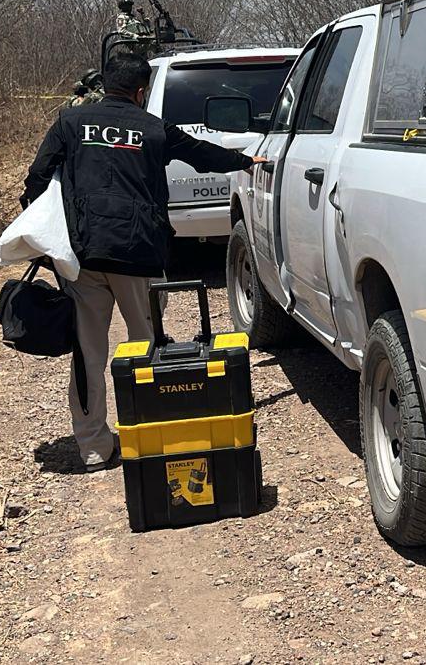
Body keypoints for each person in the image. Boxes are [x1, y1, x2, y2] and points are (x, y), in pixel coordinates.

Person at [22, 50, 267, 471]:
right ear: (141, 91)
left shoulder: (70, 122)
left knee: (89, 353)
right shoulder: (153, 129)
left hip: (83, 258)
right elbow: (202, 154)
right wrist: (246, 161)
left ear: (103, 84)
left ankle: (95, 448)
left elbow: (36, 180)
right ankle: (155, 427)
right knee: (150, 346)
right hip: (139, 256)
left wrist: (50, 233)